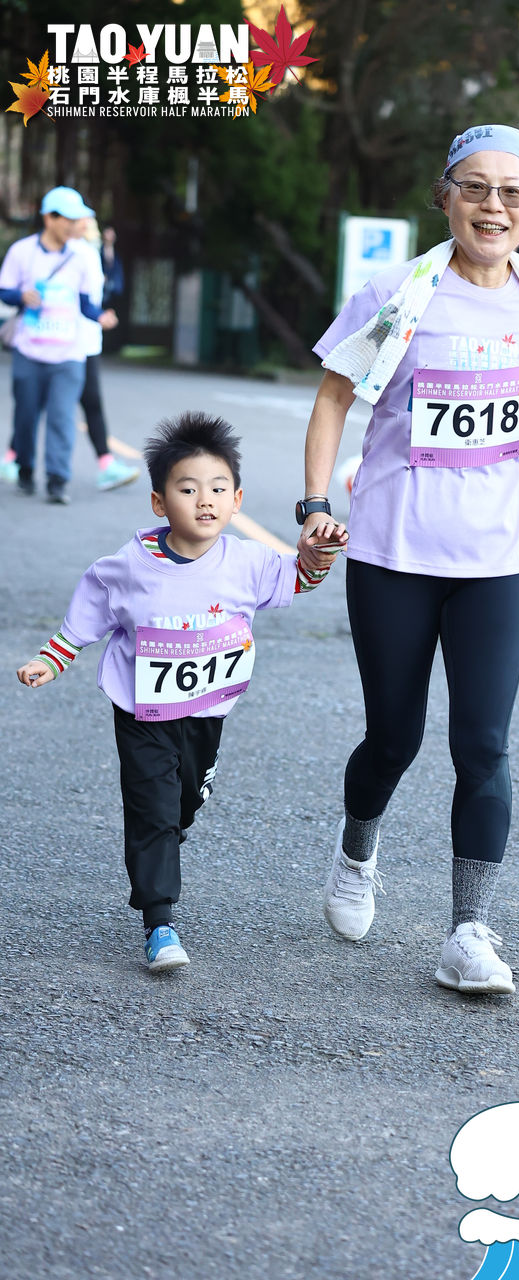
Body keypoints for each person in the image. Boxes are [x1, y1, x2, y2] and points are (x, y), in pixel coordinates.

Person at [297, 123, 519, 995]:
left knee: (483, 744)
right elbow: (332, 399)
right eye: (474, 187)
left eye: (513, 192)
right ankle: (357, 851)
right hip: (395, 549)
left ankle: (468, 931)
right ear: (444, 196)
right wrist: (316, 505)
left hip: (499, 554)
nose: (492, 206)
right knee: (393, 738)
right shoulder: (398, 293)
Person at [16, 411, 347, 971]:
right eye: (188, 489)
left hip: (206, 712)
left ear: (236, 499)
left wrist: (321, 552)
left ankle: (171, 830)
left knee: (183, 803)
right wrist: (52, 659)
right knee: (153, 811)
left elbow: (300, 578)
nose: (204, 501)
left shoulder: (247, 560)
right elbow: (86, 618)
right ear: (159, 502)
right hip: (142, 712)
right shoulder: (127, 568)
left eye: (217, 489)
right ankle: (159, 923)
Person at [0, 186, 118, 503]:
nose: (75, 225)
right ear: (49, 218)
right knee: (26, 417)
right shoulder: (22, 252)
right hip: (29, 351)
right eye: (69, 219)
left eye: (77, 219)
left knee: (62, 417)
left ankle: (57, 481)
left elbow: (85, 303)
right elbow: (4, 290)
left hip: (68, 354)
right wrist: (20, 296)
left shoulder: (81, 256)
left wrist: (100, 316)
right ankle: (25, 469)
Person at [71, 218, 139, 491]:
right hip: (61, 345)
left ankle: (106, 464)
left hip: (87, 343)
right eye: (88, 224)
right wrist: (98, 315)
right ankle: (16, 459)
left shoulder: (92, 254)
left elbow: (111, 286)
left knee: (91, 404)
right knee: (43, 405)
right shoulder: (70, 253)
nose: (95, 231)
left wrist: (100, 315)